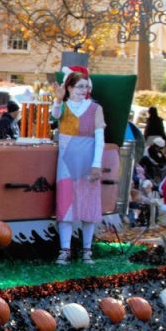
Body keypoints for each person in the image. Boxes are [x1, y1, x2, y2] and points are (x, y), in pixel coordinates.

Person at [49, 67, 105, 264]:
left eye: (86, 86)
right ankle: (65, 249)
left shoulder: (95, 109)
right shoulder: (63, 107)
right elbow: (55, 115)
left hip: (87, 161)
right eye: (79, 86)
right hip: (66, 162)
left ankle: (87, 250)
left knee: (88, 204)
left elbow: (100, 138)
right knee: (66, 205)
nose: (83, 90)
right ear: (69, 87)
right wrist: (58, 99)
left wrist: (96, 164)